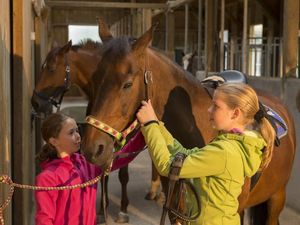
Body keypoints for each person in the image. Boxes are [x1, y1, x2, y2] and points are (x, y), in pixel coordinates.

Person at [136, 83, 275, 225]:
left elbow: (168, 166)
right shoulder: (232, 145)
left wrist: (149, 125)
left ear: (235, 113)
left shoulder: (225, 152)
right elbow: (184, 155)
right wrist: (157, 124)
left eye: (216, 106)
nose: (209, 110)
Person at [35, 112, 145, 225]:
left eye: (77, 130)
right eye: (71, 132)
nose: (78, 136)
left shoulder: (86, 163)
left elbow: (122, 157)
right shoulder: (47, 178)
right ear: (54, 141)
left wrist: (145, 132)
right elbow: (44, 219)